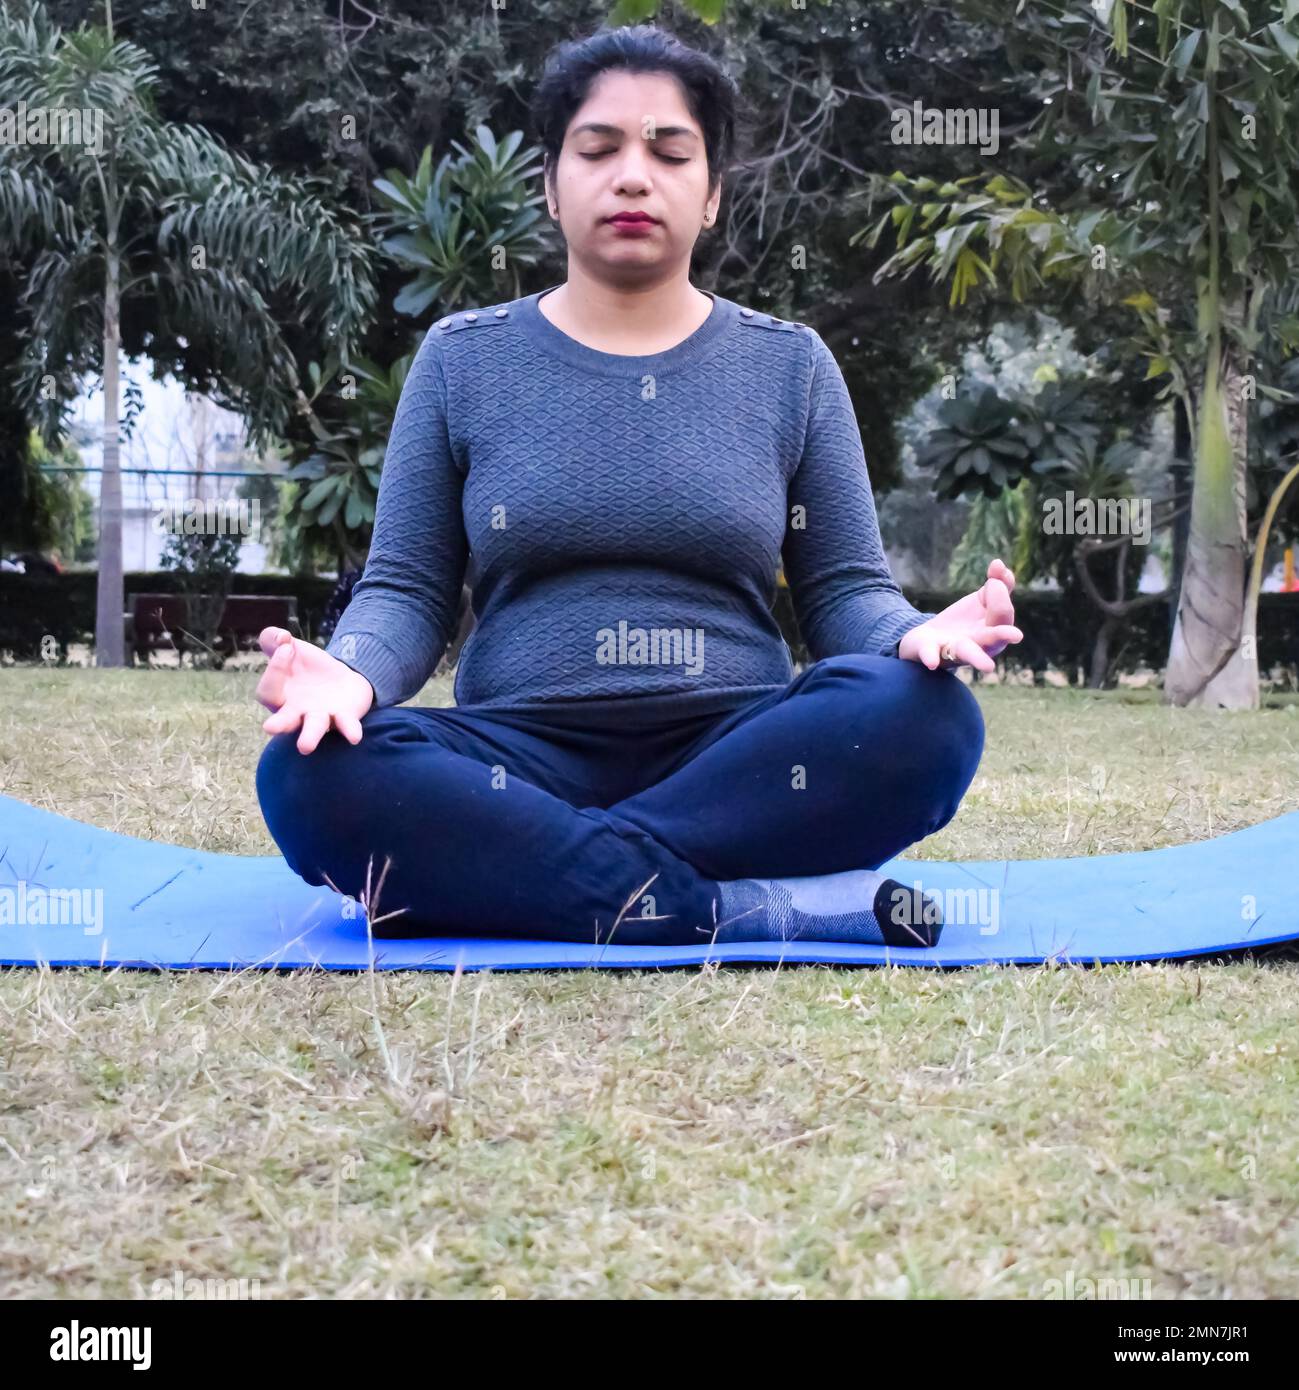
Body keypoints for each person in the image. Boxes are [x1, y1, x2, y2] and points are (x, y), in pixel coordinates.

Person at [255, 24, 1022, 949]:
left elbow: (844, 591)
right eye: (598, 148)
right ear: (549, 183)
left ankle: (541, 874)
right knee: (312, 774)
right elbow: (409, 588)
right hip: (517, 760)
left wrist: (913, 636)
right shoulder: (464, 358)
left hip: (740, 755)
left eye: (669, 151)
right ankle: (743, 906)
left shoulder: (789, 367)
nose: (631, 175)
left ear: (710, 196)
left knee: (924, 721)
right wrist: (353, 668)